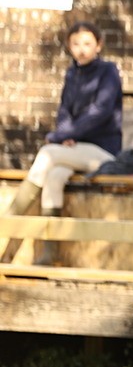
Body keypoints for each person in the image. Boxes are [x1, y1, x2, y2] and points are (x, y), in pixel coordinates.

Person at [2, 21, 122, 265]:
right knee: (55, 176)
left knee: (47, 154)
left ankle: (8, 221)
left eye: (88, 43)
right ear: (69, 46)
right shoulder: (72, 74)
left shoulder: (108, 71)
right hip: (74, 150)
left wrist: (61, 136)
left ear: (98, 45)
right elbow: (64, 112)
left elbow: (101, 111)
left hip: (102, 151)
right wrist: (66, 134)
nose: (81, 49)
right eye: (76, 43)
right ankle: (48, 253)